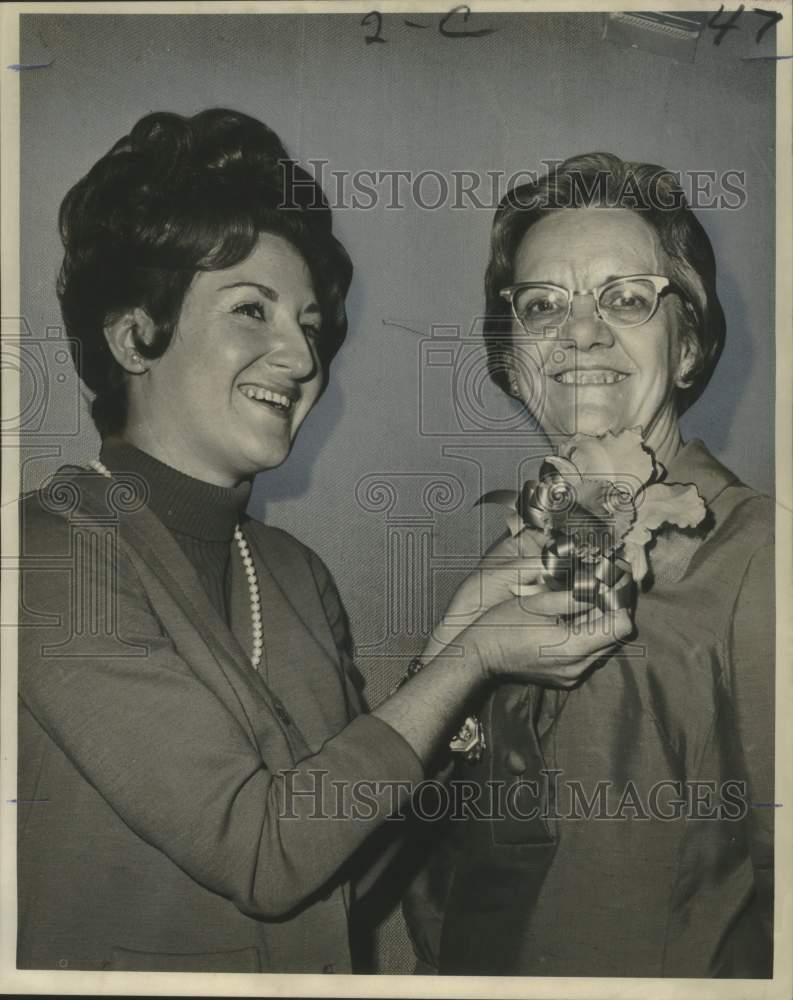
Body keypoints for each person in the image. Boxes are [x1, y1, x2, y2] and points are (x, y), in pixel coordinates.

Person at [16, 113, 632, 974]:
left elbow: (345, 870)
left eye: (309, 324)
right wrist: (470, 660)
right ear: (133, 337)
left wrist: (461, 629)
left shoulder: (293, 574)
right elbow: (264, 859)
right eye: (251, 311)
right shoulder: (45, 558)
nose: (300, 356)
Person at [403, 153, 775, 978]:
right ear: (510, 361)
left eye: (626, 298)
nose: (578, 332)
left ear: (685, 348)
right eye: (541, 307)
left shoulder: (761, 561)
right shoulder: (518, 551)